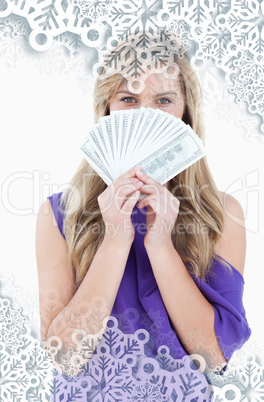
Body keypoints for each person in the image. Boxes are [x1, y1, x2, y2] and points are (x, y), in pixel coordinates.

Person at [35, 32, 251, 376]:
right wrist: (115, 241)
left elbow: (213, 356)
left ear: (186, 116)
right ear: (107, 111)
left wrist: (161, 246)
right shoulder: (60, 214)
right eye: (128, 99)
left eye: (164, 100)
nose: (145, 115)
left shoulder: (222, 215)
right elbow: (65, 357)